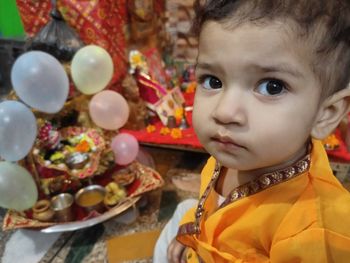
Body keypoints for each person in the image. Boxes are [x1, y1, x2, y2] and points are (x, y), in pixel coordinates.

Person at [154, 0, 350, 262]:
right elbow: (209, 202)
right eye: (213, 81)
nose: (224, 112)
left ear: (326, 114)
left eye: (272, 87)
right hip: (206, 242)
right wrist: (192, 227)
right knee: (182, 212)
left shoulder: (311, 232)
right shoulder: (234, 152)